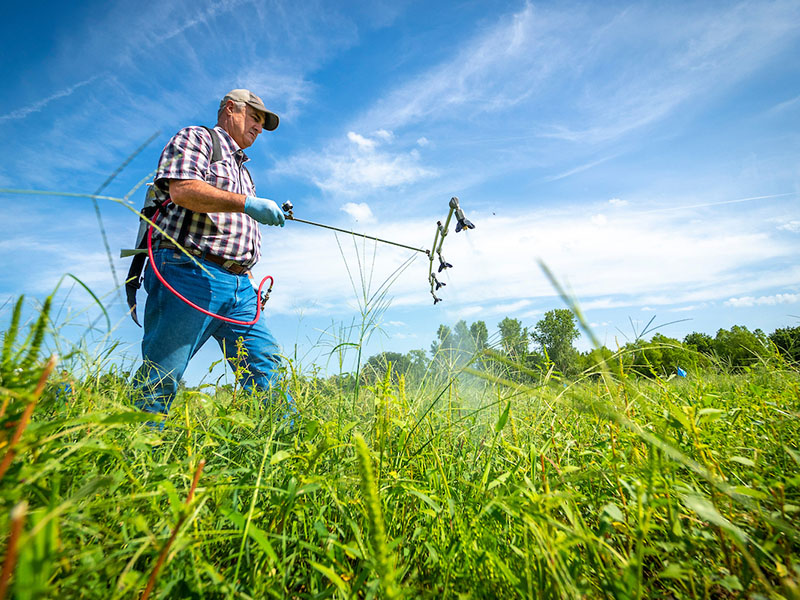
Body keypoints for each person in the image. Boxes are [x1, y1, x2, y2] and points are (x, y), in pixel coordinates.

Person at [132, 89, 294, 420]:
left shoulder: (244, 173)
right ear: (230, 109)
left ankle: (286, 459)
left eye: (262, 122)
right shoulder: (199, 138)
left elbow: (234, 230)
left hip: (240, 289)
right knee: (161, 376)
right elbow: (184, 190)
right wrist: (247, 204)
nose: (259, 128)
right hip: (188, 271)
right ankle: (136, 459)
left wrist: (246, 279)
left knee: (268, 372)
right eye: (255, 117)